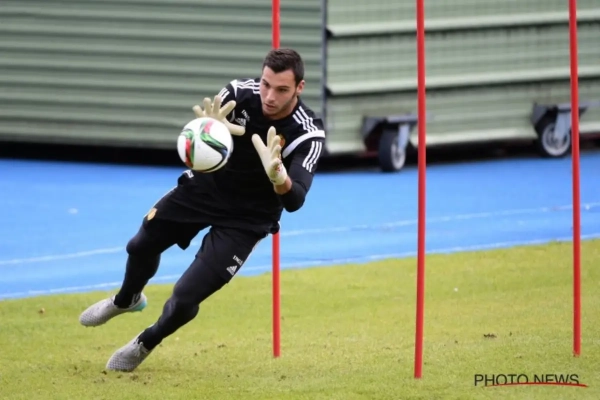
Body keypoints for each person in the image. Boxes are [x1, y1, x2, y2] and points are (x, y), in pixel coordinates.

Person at [78, 48, 326, 372]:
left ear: (299, 88)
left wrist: (279, 177)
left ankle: (145, 342)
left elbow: (295, 201)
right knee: (140, 245)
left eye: (281, 89)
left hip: (247, 220)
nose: (269, 96)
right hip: (204, 191)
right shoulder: (238, 94)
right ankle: (127, 299)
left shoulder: (307, 132)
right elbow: (198, 149)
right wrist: (207, 131)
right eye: (265, 84)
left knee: (185, 296)